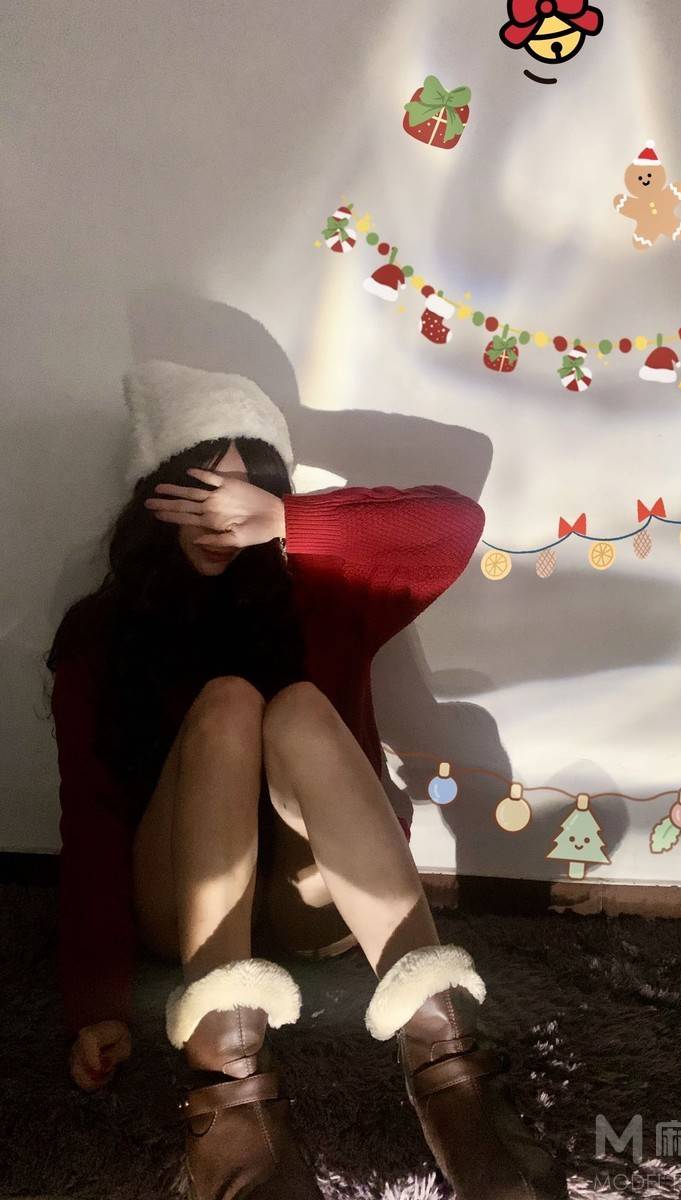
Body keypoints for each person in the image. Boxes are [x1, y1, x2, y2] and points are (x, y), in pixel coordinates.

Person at [45, 359, 567, 1200]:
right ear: (156, 498)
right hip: (180, 905)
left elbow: (453, 526)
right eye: (202, 489)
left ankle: (446, 1059)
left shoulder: (322, 592)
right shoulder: (102, 632)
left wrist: (289, 521)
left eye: (246, 491)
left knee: (294, 709)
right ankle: (225, 1078)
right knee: (226, 705)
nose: (222, 514)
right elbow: (93, 821)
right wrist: (96, 1004)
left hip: (318, 896)